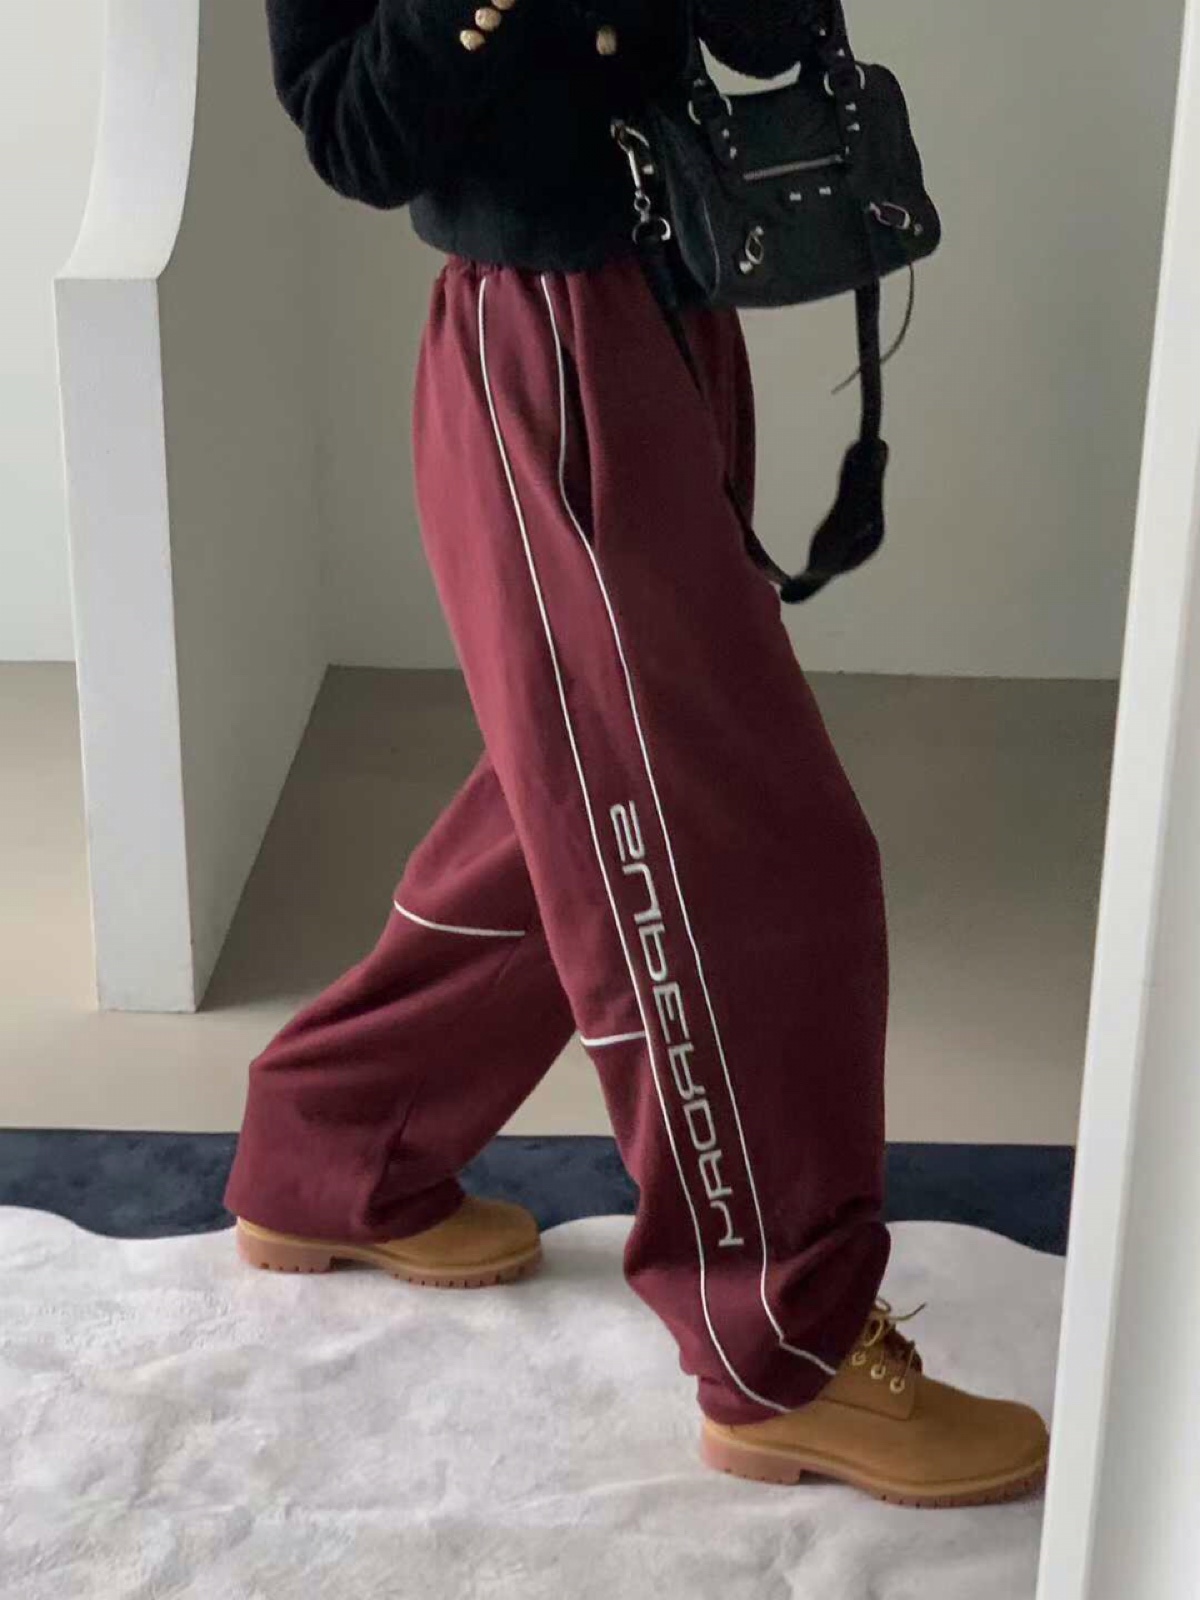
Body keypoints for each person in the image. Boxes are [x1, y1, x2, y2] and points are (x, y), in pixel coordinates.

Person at [224, 0, 1049, 1508]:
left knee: (577, 797)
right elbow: (354, 135)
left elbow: (757, 37)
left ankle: (332, 1143)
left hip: (674, 301)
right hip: (538, 341)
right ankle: (780, 1350)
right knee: (750, 847)